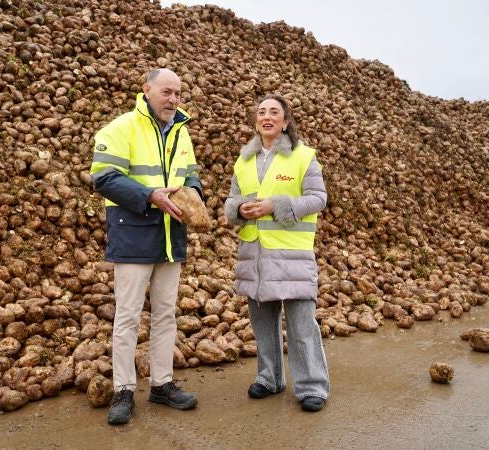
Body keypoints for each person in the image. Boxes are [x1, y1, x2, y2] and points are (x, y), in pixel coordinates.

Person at [89, 68, 201, 425]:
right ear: (146, 90)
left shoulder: (181, 132)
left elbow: (191, 173)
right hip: (134, 231)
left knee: (166, 312)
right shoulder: (120, 128)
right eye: (167, 92)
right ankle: (123, 389)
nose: (173, 99)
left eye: (178, 93)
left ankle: (162, 384)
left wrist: (195, 193)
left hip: (171, 236)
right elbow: (103, 178)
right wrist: (149, 196)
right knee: (128, 315)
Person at [224, 94, 330, 412]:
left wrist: (276, 206)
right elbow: (230, 204)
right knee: (263, 322)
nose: (266, 117)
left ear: (285, 122)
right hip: (255, 254)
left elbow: (318, 198)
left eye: (274, 112)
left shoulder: (303, 156)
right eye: (261, 112)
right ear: (256, 121)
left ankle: (312, 386)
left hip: (292, 255)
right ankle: (269, 378)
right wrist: (240, 208)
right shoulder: (243, 162)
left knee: (301, 324)